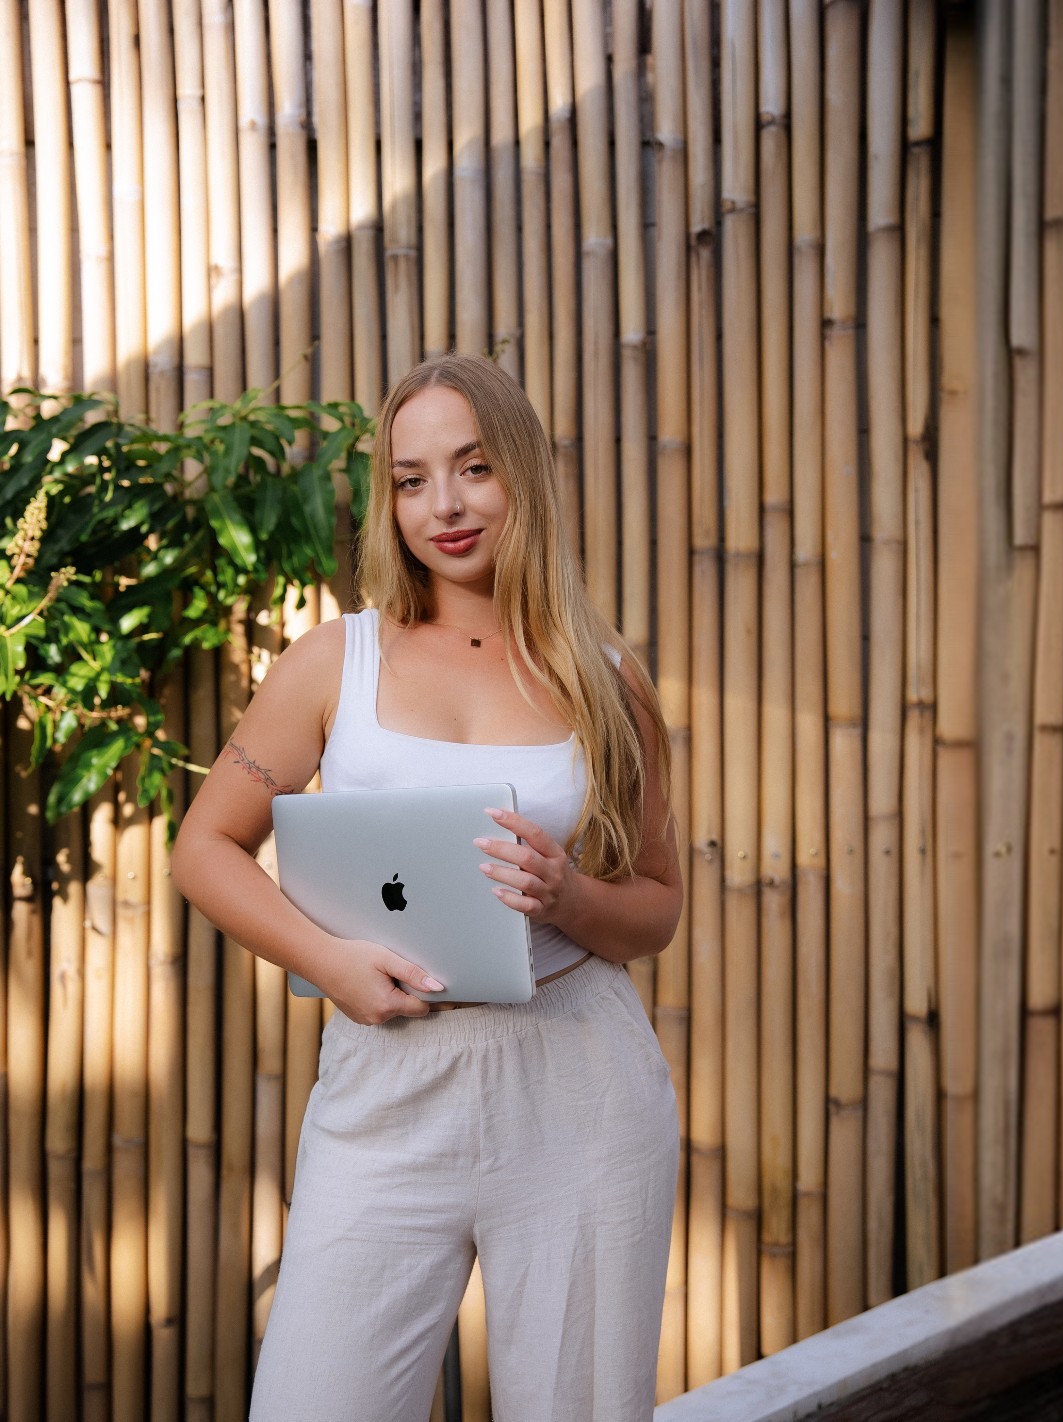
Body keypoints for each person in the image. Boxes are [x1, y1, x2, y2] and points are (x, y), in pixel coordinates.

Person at [171, 353, 683, 1421]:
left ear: (524, 479)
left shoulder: (604, 675)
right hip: (384, 1081)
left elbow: (655, 901)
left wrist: (568, 899)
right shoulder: (331, 662)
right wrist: (328, 962)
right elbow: (204, 847)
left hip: (578, 1085)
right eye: (410, 480)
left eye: (472, 469)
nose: (442, 506)